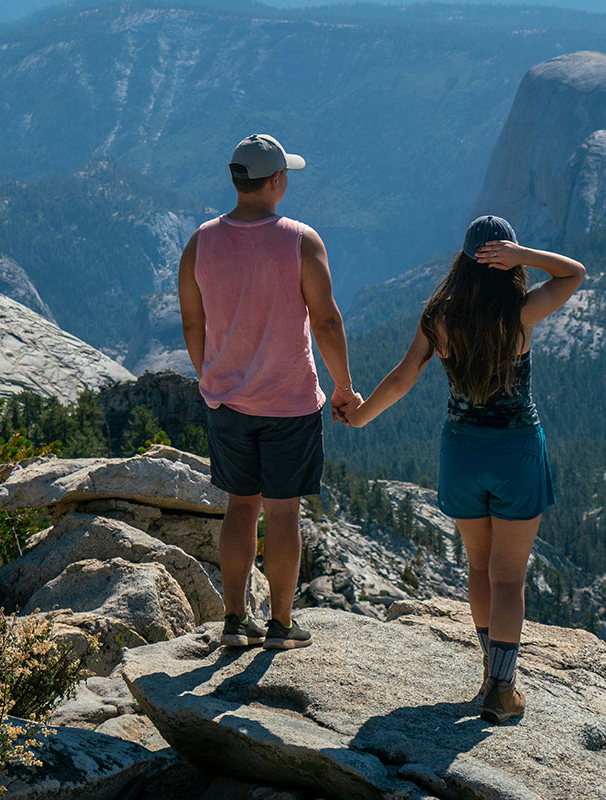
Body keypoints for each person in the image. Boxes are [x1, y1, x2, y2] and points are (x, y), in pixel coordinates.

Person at [343, 215, 584, 722]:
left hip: (462, 454)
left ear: (463, 259)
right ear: (505, 260)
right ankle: (501, 687)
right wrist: (527, 256)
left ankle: (490, 674)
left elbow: (405, 375)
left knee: (479, 568)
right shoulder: (519, 312)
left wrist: (362, 416)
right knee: (509, 577)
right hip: (516, 452)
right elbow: (573, 274)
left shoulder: (440, 317)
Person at [177, 134, 362, 651]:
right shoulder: (301, 240)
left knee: (240, 506)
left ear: (238, 180)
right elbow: (325, 320)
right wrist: (344, 386)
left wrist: (212, 373)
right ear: (277, 181)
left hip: (227, 401)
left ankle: (234, 620)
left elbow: (193, 323)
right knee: (283, 512)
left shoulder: (201, 242)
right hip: (289, 402)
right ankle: (281, 625)